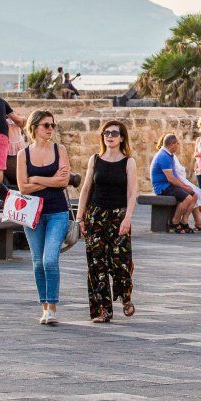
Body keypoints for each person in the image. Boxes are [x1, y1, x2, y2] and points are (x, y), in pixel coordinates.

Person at [77, 120, 138, 322]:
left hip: (119, 215)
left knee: (121, 263)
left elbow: (132, 193)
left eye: (114, 133)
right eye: (106, 133)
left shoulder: (128, 162)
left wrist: (127, 217)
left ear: (122, 138)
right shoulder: (95, 160)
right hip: (95, 215)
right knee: (97, 264)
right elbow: (86, 189)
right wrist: (80, 217)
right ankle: (103, 311)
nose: (110, 136)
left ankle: (125, 295)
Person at [16, 110, 72, 325]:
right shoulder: (24, 155)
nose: (50, 129)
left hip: (57, 211)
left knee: (50, 260)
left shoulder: (60, 150)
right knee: (38, 262)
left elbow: (63, 182)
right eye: (46, 125)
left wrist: (37, 178)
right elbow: (23, 187)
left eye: (52, 125)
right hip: (33, 214)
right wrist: (51, 179)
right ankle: (44, 306)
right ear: (34, 128)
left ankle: (52, 306)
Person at [150, 133, 199, 233]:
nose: (178, 146)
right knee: (188, 198)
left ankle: (184, 221)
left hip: (169, 185)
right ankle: (174, 222)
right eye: (177, 144)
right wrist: (185, 188)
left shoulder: (169, 154)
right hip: (162, 187)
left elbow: (175, 176)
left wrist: (185, 186)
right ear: (171, 144)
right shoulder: (163, 156)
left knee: (195, 195)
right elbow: (171, 178)